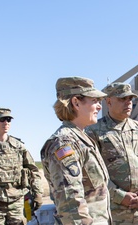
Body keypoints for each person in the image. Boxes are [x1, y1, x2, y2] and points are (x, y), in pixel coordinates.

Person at [85, 82, 138, 225]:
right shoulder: (93, 131)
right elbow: (91, 172)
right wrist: (120, 196)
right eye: (122, 99)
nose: (128, 103)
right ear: (108, 101)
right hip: (113, 212)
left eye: (130, 99)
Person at [40, 76, 112, 224]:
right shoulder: (65, 143)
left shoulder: (81, 138)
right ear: (76, 102)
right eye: (94, 101)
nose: (99, 106)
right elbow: (71, 206)